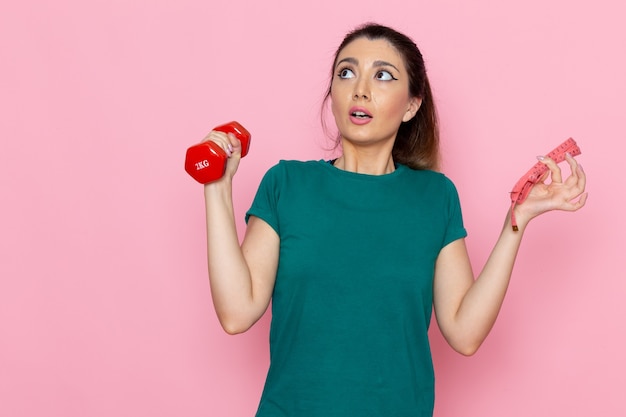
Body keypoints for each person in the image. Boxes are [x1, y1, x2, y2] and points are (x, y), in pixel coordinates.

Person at [201, 23, 587, 417]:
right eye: (346, 72)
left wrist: (515, 222)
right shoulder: (286, 184)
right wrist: (216, 187)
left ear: (411, 105)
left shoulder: (435, 197)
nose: (360, 89)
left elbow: (464, 333)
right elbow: (236, 313)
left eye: (383, 75)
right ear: (332, 93)